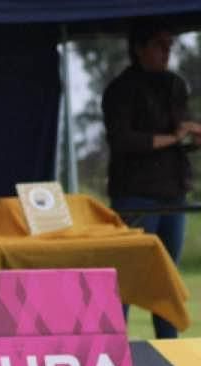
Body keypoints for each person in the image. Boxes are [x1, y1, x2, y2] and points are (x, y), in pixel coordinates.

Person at [102, 17, 201, 339]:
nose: (166, 52)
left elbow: (180, 128)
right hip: (136, 196)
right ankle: (117, 348)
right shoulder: (121, 90)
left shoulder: (174, 85)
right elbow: (125, 140)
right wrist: (174, 137)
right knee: (128, 277)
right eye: (159, 45)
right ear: (139, 48)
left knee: (166, 279)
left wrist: (190, 135)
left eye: (169, 45)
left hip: (173, 193)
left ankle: (169, 350)